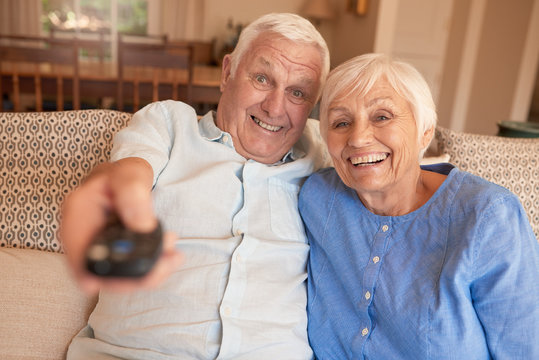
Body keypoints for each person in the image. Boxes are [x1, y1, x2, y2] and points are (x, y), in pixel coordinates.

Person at [61, 13, 331, 359]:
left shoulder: (323, 156)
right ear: (227, 72)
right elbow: (130, 172)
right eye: (262, 78)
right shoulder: (170, 124)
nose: (275, 107)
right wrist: (113, 196)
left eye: (298, 92)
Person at [299, 53, 539, 359]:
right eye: (341, 122)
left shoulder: (488, 217)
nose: (358, 138)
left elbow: (523, 349)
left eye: (382, 117)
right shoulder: (317, 197)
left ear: (425, 131)